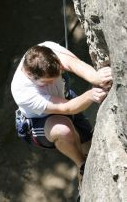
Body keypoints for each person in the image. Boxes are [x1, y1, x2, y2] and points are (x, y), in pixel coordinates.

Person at [11, 41, 112, 197]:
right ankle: (82, 166)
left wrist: (96, 77)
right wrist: (91, 95)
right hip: (39, 121)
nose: (53, 81)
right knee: (64, 129)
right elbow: (66, 108)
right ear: (31, 76)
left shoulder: (47, 50)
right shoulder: (23, 91)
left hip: (64, 98)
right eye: (48, 82)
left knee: (88, 144)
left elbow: (73, 64)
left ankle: (86, 159)